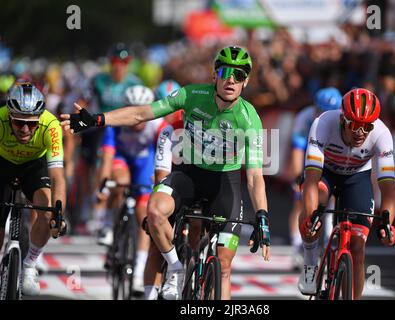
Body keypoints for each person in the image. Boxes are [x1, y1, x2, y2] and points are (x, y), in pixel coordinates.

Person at [61, 45, 271, 300]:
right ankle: (175, 267)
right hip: (189, 173)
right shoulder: (191, 95)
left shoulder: (250, 119)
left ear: (245, 82)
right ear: (214, 74)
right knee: (154, 211)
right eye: (226, 71)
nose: (231, 79)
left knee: (224, 266)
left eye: (238, 75)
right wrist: (97, 119)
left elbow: (254, 176)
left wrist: (262, 215)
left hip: (224, 183)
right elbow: (141, 113)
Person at [297, 88, 395, 299]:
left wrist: (388, 223)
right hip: (325, 173)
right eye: (354, 125)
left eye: (366, 126)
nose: (360, 132)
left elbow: (388, 188)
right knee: (316, 203)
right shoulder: (323, 123)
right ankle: (309, 262)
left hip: (356, 178)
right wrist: (312, 216)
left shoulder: (381, 133)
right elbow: (312, 179)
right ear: (343, 119)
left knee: (358, 247)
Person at [96, 85, 165, 292]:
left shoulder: (157, 125)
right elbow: (107, 158)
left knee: (144, 214)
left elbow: (165, 155)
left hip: (144, 163)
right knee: (119, 181)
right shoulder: (116, 124)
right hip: (122, 160)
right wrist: (104, 185)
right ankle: (109, 222)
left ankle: (139, 270)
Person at [0, 83, 66, 296]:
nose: (25, 130)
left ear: (40, 119)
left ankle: (30, 265)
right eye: (19, 123)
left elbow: (57, 176)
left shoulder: (51, 125)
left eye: (32, 124)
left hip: (34, 167)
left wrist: (59, 214)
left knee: (47, 211)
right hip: (2, 163)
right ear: (9, 116)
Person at [80, 43, 142, 240]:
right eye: (115, 61)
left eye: (124, 62)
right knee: (99, 167)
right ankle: (97, 209)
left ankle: (115, 211)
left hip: (125, 131)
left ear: (129, 63)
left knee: (123, 176)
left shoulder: (135, 84)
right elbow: (84, 102)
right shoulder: (98, 80)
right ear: (109, 62)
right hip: (101, 129)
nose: (119, 66)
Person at [288, 87, 342, 270]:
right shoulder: (305, 118)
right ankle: (297, 247)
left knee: (332, 199)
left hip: (332, 158)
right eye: (321, 110)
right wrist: (298, 178)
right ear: (315, 108)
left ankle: (329, 242)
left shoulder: (341, 119)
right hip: (309, 156)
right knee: (300, 200)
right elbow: (297, 150)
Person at [141, 79, 183, 300]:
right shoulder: (165, 129)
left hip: (193, 183)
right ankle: (150, 294)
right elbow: (161, 175)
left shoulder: (202, 124)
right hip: (170, 181)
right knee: (155, 242)